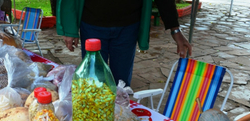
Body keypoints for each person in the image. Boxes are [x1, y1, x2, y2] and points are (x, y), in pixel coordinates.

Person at [56, 0, 193, 86]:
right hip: (92, 25)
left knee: (121, 84)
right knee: (94, 83)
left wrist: (175, 30)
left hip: (128, 27)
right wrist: (69, 28)